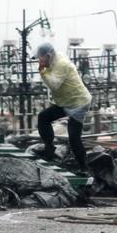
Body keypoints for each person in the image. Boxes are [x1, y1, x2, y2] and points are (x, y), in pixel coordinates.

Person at [36, 43, 92, 171]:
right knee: (43, 117)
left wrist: (42, 71)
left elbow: (54, 85)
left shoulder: (61, 64)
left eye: (41, 57)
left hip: (79, 103)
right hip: (66, 102)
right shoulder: (52, 61)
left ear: (49, 56)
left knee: (73, 136)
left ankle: (84, 168)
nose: (40, 60)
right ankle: (49, 149)